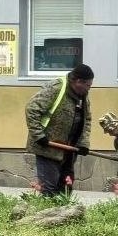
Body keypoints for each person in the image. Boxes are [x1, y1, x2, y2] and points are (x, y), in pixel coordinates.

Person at [25, 63, 94, 196]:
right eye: (88, 86)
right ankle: (47, 215)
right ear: (78, 81)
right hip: (48, 148)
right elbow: (31, 109)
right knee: (49, 189)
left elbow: (87, 120)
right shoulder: (56, 88)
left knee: (65, 188)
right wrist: (39, 136)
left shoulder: (83, 96)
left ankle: (65, 215)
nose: (88, 89)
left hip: (69, 150)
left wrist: (84, 143)